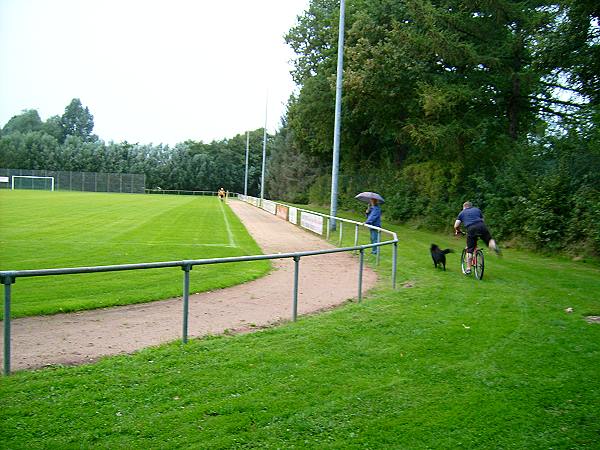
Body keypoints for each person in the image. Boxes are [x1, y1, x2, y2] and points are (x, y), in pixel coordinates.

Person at [454, 201, 500, 274]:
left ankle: (468, 269)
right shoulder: (477, 210)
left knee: (470, 249)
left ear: (464, 207)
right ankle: (494, 246)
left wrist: (458, 231)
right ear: (470, 206)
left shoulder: (462, 213)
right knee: (489, 240)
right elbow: (482, 220)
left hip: (471, 228)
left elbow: (456, 225)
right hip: (482, 226)